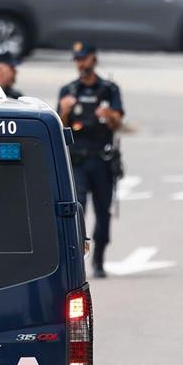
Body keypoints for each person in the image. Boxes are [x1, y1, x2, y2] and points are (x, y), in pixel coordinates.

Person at [58, 42, 124, 278]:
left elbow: (118, 125)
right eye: (77, 59)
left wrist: (109, 116)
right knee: (78, 211)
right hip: (77, 161)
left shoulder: (108, 89)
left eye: (84, 58)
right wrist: (65, 111)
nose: (80, 63)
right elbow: (61, 127)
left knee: (103, 212)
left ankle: (99, 259)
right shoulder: (68, 90)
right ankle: (77, 259)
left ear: (93, 59)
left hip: (102, 160)